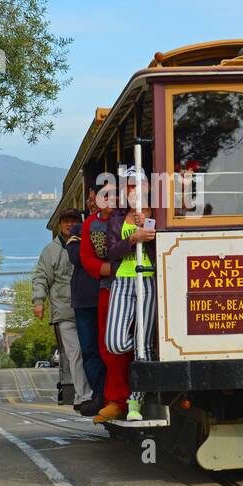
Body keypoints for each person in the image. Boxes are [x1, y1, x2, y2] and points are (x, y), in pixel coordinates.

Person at [93, 169, 157, 424]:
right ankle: (145, 354)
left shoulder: (158, 216)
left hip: (149, 280)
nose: (134, 190)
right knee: (115, 343)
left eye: (138, 184)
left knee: (145, 342)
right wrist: (133, 237)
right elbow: (112, 252)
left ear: (148, 187)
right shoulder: (117, 218)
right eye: (129, 186)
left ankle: (135, 402)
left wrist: (149, 232)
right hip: (123, 281)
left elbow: (162, 245)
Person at [31, 209, 90, 407]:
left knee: (91, 351)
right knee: (76, 354)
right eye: (66, 221)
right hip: (65, 312)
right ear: (60, 225)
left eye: (74, 221)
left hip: (88, 306)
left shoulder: (86, 242)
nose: (70, 224)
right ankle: (83, 395)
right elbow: (41, 277)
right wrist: (38, 301)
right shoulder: (50, 251)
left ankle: (93, 392)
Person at [79, 179, 119, 417]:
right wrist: (110, 270)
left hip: (134, 284)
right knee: (108, 345)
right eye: (105, 195)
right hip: (107, 288)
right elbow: (86, 259)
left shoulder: (128, 217)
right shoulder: (90, 225)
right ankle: (113, 398)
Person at [67, 187, 105, 416]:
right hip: (83, 300)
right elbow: (76, 256)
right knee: (89, 349)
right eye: (90, 200)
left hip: (106, 293)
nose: (92, 203)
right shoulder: (78, 229)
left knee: (108, 347)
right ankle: (99, 393)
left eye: (97, 199)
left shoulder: (114, 226)